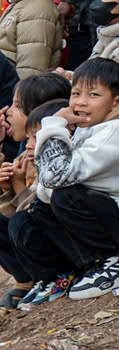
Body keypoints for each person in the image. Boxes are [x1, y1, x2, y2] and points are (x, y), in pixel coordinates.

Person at [23, 57, 119, 301]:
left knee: (66, 197)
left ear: (117, 102)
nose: (81, 102)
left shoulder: (118, 128)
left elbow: (55, 176)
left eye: (93, 95)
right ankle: (94, 263)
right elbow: (45, 186)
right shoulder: (88, 128)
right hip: (114, 220)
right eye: (76, 93)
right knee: (41, 207)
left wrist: (55, 123)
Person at [0, 72, 72, 304]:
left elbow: (34, 212)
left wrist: (18, 186)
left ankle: (56, 277)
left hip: (68, 239)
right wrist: (7, 188)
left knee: (24, 222)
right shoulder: (24, 156)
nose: (8, 111)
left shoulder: (54, 153)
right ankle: (28, 279)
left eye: (17, 106)